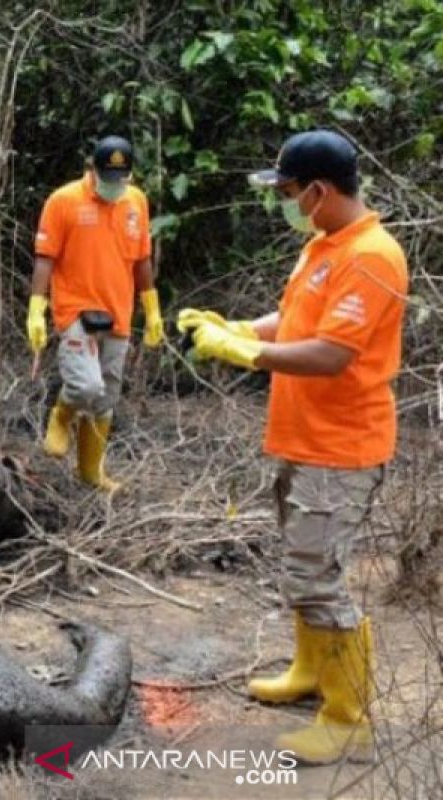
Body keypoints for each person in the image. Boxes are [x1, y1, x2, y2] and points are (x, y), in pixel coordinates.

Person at [178, 129, 408, 765]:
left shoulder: (372, 256)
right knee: (304, 566)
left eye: (285, 192)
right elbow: (301, 322)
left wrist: (247, 355)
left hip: (342, 446)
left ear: (318, 190)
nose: (281, 202)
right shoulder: (325, 245)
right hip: (305, 439)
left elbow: (334, 353)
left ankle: (347, 719)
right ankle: (312, 671)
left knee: (318, 579)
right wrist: (240, 329)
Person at [27, 135, 164, 491]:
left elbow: (142, 258)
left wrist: (151, 309)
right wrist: (36, 309)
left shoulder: (136, 202)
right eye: (107, 179)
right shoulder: (63, 201)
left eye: (121, 180)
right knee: (85, 384)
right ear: (92, 171)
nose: (114, 187)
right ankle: (60, 416)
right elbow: (46, 258)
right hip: (75, 309)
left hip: (118, 311)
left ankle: (90, 472)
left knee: (106, 399)